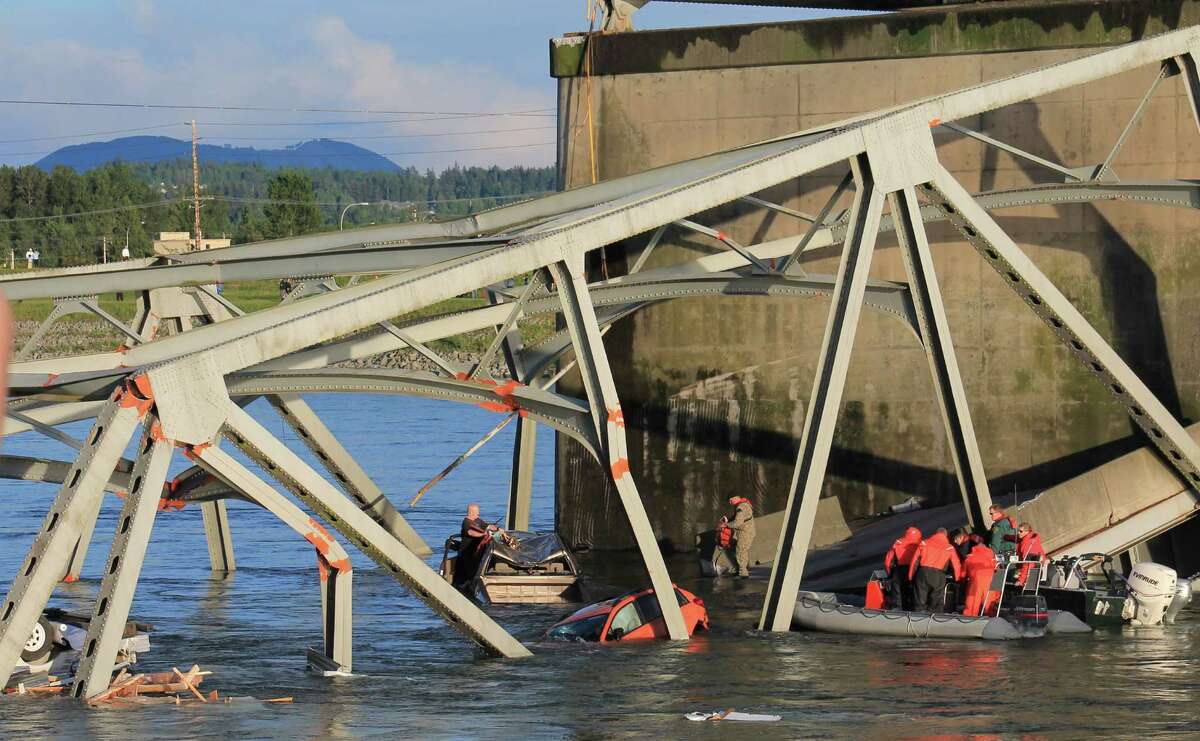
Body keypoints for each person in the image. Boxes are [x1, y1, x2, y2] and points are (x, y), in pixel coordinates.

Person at [908, 527, 963, 613]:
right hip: (938, 576)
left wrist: (910, 576)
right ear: (946, 535)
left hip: (923, 573)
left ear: (935, 533)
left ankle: (918, 618)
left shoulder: (924, 543)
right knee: (935, 603)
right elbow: (956, 565)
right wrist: (958, 579)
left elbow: (914, 561)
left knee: (920, 602)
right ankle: (933, 619)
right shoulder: (949, 548)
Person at [455, 503, 497, 587]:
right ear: (471, 512)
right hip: (467, 552)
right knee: (468, 574)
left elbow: (488, 526)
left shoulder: (478, 520)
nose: (478, 514)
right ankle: (465, 586)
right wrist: (482, 534)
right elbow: (471, 532)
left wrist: (497, 529)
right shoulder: (466, 522)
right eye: (477, 512)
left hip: (477, 551)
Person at [883, 526, 922, 610]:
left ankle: (897, 610)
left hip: (900, 570)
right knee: (914, 591)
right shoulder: (922, 544)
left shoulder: (898, 542)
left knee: (897, 590)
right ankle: (914, 610)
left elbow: (888, 561)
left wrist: (890, 574)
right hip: (916, 571)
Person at [962, 542, 998, 617]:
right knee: (990, 608)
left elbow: (963, 574)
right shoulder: (992, 558)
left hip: (975, 584)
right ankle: (992, 622)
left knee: (971, 608)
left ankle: (969, 622)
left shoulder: (969, 557)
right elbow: (997, 570)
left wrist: (962, 580)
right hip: (990, 583)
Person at [726, 495, 755, 578]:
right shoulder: (740, 505)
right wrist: (728, 520)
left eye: (731, 500)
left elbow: (737, 523)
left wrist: (726, 525)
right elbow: (735, 518)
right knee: (739, 550)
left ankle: (743, 574)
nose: (730, 502)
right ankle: (740, 570)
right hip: (744, 532)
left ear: (736, 498)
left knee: (741, 551)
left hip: (745, 533)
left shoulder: (741, 507)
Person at [1015, 522, 1046, 586]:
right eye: (1018, 531)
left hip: (1030, 573)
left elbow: (1028, 563)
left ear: (1027, 532)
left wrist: (1021, 580)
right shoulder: (1033, 539)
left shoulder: (1026, 543)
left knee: (1011, 575)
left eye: (1021, 531)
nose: (1018, 533)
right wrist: (1005, 536)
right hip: (1037, 570)